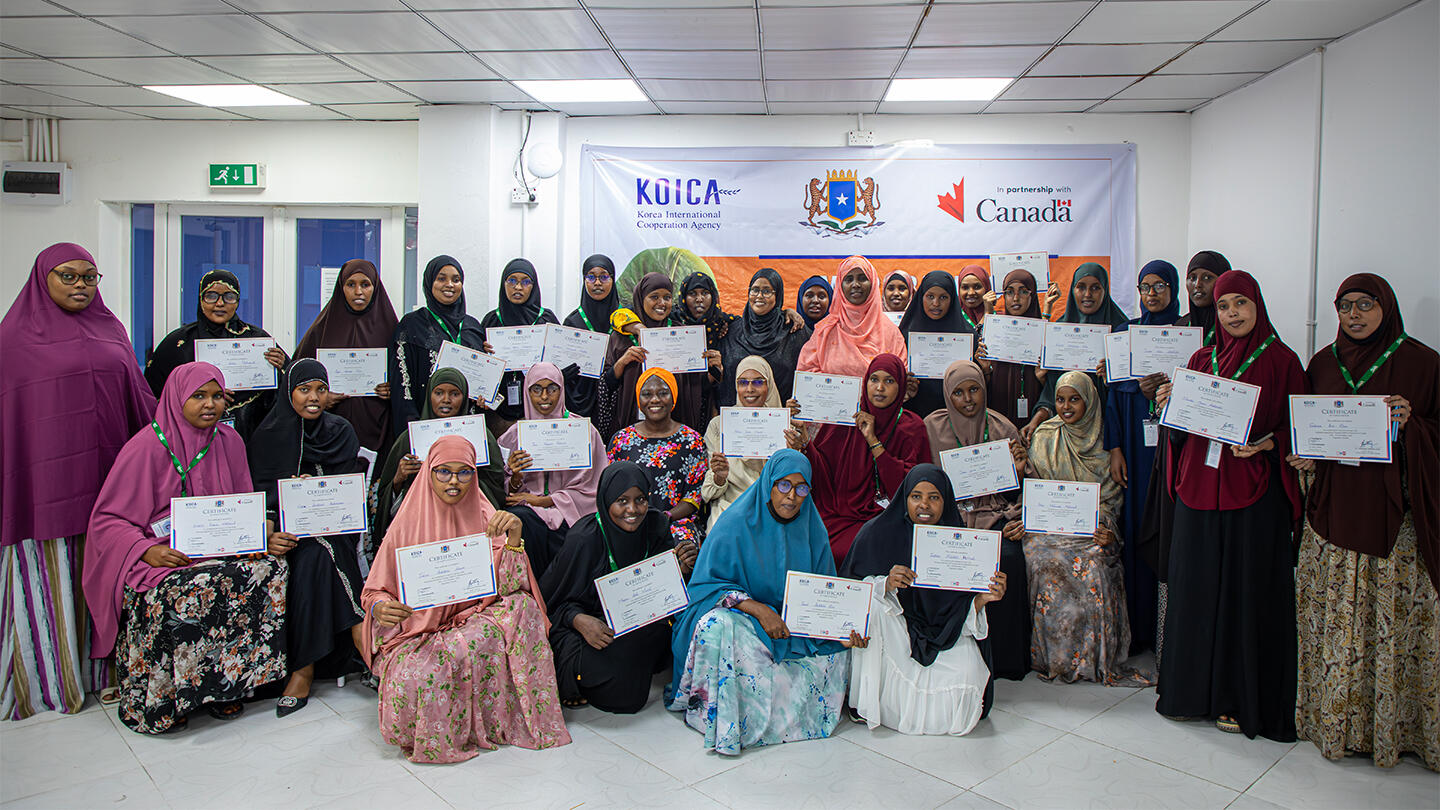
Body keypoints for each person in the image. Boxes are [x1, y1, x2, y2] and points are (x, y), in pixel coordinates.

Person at [83, 362, 285, 733]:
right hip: (163, 550)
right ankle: (169, 699)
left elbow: (243, 503)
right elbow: (107, 520)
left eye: (217, 396)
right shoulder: (145, 447)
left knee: (268, 571)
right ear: (176, 399)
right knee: (180, 588)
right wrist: (144, 550)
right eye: (198, 396)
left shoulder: (230, 441)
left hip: (219, 546)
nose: (210, 405)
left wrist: (261, 533)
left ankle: (228, 686)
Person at [1, 243, 157, 719]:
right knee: (51, 579)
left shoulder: (111, 329)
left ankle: (105, 675)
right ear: (42, 279)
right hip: (42, 487)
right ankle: (51, 679)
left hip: (108, 484)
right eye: (68, 276)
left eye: (89, 277)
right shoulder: (13, 340)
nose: (80, 286)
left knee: (106, 573)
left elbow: (138, 397)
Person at [1290, 273, 1437, 770]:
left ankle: (1393, 730)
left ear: (1386, 307)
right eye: (1345, 306)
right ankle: (1332, 720)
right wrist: (1306, 456)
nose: (1353, 315)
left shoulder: (1422, 363)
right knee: (1339, 625)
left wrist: (1414, 422)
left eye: (1364, 305)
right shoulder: (1322, 363)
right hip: (1334, 516)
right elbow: (1309, 427)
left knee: (1386, 629)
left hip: (1395, 528)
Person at [1154, 270, 1307, 741]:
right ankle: (1190, 693)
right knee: (1196, 590)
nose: (1233, 314)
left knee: (1245, 595)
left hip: (1253, 496)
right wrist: (1169, 405)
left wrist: (1267, 445)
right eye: (1224, 306)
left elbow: (1301, 432)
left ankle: (1239, 698)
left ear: (1257, 305)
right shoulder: (1202, 358)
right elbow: (1181, 428)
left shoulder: (1282, 362)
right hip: (1200, 490)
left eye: (1241, 303)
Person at [360, 435, 570, 763]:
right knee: (423, 673)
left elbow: (511, 585)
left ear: (475, 474)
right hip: (422, 629)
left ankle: (501, 720)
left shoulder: (485, 514)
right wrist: (380, 607)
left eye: (464, 472)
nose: (454, 481)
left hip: (474, 616)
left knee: (523, 607)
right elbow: (374, 590)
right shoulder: (406, 523)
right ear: (428, 472)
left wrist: (514, 536)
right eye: (443, 471)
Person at [668, 449, 867, 755]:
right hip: (743, 621)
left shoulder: (812, 528)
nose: (792, 497)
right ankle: (727, 721)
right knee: (716, 626)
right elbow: (704, 588)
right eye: (783, 485)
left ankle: (783, 724)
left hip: (793, 629)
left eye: (802, 489)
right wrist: (759, 609)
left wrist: (840, 630)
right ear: (768, 484)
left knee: (839, 654)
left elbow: (824, 595)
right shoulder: (734, 523)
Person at [842, 465, 1007, 735]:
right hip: (896, 637)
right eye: (916, 496)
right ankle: (876, 702)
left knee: (964, 693)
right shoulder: (877, 533)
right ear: (904, 498)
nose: (925, 505)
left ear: (946, 500)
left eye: (934, 497)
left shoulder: (961, 541)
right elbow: (852, 592)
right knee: (874, 599)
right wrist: (886, 584)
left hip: (945, 633)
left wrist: (982, 600)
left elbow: (959, 608)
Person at [250, 359, 367, 716]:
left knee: (320, 553)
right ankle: (368, 650)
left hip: (335, 530)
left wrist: (317, 494)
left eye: (320, 389)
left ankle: (303, 670)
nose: (314, 398)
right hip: (285, 535)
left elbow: (350, 493)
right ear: (289, 393)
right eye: (304, 390)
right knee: (311, 554)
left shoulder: (341, 430)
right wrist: (272, 527)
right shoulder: (268, 436)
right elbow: (258, 496)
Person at [1022, 372, 1153, 686]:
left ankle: (1092, 659)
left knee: (1092, 563)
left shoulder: (1107, 441)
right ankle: (1051, 658)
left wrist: (1107, 528)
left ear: (1090, 401)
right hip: (1051, 527)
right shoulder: (1045, 435)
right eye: (1061, 400)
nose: (1066, 407)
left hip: (1092, 526)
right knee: (1038, 556)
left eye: (1074, 399)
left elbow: (1111, 498)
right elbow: (1036, 488)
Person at [540, 462, 698, 712]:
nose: (633, 510)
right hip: (591, 624)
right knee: (625, 697)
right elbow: (549, 600)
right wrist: (578, 620)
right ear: (605, 501)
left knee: (678, 633)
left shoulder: (655, 525)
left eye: (641, 500)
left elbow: (667, 591)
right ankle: (573, 672)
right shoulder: (585, 539)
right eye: (622, 501)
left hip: (640, 621)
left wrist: (683, 568)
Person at [922, 360, 1032, 681]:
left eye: (974, 390)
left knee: (1008, 559)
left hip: (992, 514)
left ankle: (1006, 659)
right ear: (947, 395)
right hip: (946, 517)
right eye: (958, 392)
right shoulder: (931, 427)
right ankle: (946, 647)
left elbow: (1016, 495)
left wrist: (1019, 472)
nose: (968, 399)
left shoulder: (1003, 428)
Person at [1101, 259, 1178, 653]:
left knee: (1168, 528)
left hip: (1173, 445)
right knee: (1133, 526)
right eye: (1145, 286)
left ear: (1173, 289)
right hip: (1133, 442)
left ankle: (1166, 628)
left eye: (1160, 285)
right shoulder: (1124, 333)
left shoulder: (1188, 333)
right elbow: (1114, 395)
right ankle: (1136, 630)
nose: (1152, 293)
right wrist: (1114, 447)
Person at [368, 367, 506, 563]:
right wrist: (399, 479)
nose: (446, 400)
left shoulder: (482, 437)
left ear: (465, 397)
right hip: (419, 522)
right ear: (429, 396)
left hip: (470, 519)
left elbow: (495, 490)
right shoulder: (409, 440)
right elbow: (387, 502)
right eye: (439, 393)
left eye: (454, 394)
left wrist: (465, 476)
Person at [804, 353, 931, 564]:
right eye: (874, 379)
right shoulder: (845, 419)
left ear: (900, 385)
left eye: (889, 381)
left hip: (888, 515)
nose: (879, 388)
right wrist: (803, 441)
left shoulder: (911, 427)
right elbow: (821, 469)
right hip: (839, 513)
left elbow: (912, 487)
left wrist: (873, 440)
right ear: (865, 383)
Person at [144, 268, 285, 435]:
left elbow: (289, 390)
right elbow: (152, 395)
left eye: (229, 297)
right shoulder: (179, 344)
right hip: (192, 435)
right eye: (211, 296)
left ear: (238, 301)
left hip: (251, 436)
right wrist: (207, 396)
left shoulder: (257, 339)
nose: (220, 303)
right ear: (200, 299)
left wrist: (281, 366)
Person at [498, 363, 607, 580]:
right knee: (520, 519)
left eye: (552, 388)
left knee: (581, 533)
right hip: (529, 513)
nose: (545, 396)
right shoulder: (514, 434)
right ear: (527, 392)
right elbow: (508, 492)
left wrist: (545, 501)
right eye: (536, 389)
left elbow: (594, 486)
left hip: (572, 511)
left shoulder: (583, 431)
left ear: (562, 390)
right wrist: (516, 476)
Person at [595, 272, 720, 440]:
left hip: (676, 427)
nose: (662, 303)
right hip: (631, 428)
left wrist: (713, 374)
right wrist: (623, 362)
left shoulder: (681, 334)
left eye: (667, 297)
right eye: (654, 297)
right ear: (641, 298)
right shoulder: (621, 337)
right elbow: (606, 384)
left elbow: (696, 388)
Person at [294, 258, 399, 454]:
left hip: (380, 427)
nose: (358, 292)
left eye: (365, 284)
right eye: (351, 284)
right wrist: (319, 396)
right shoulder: (321, 329)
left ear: (375, 288)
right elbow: (297, 378)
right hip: (330, 431)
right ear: (341, 287)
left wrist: (394, 390)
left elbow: (406, 380)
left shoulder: (392, 329)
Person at [607, 369, 708, 549]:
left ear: (673, 397)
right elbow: (610, 490)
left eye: (663, 393)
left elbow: (694, 496)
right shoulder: (621, 440)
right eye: (647, 394)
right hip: (627, 519)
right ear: (639, 399)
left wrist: (665, 517)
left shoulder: (692, 441)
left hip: (675, 522)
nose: (655, 400)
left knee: (685, 553)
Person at [701, 356, 806, 529]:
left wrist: (793, 453)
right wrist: (720, 476)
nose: (750, 389)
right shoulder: (719, 426)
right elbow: (708, 493)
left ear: (769, 386)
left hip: (774, 505)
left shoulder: (785, 426)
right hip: (731, 505)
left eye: (758, 382)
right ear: (736, 387)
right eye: (743, 382)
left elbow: (794, 481)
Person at [1028, 262, 1129, 441]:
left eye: (1095, 288)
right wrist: (1037, 418)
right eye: (1081, 287)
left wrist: (1111, 380)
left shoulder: (1121, 332)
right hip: (1068, 435)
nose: (1087, 294)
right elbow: (1052, 393)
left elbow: (1129, 396)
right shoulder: (1059, 331)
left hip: (1109, 434)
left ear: (1105, 290)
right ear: (1073, 290)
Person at [390, 254, 486, 434]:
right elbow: (403, 387)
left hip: (467, 428)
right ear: (429, 282)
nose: (449, 284)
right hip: (425, 426)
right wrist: (413, 431)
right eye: (441, 278)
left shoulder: (473, 327)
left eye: (456, 280)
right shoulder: (411, 325)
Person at [797, 255, 907, 378]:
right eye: (849, 279)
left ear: (872, 283)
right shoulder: (825, 330)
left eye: (862, 278)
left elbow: (900, 375)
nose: (855, 284)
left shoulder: (890, 332)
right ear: (840, 286)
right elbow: (806, 373)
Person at [479, 258, 559, 426]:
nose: (518, 287)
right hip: (498, 411)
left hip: (541, 408)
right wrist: (483, 353)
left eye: (525, 282)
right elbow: (481, 369)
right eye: (512, 280)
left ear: (534, 285)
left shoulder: (546, 319)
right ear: (504, 284)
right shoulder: (491, 320)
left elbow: (558, 362)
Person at [718, 268, 812, 406]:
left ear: (778, 295)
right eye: (755, 290)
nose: (759, 296)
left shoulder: (793, 331)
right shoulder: (731, 330)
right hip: (736, 420)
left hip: (782, 421)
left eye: (767, 291)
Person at [978, 268, 1048, 432]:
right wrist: (985, 369)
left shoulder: (1044, 334)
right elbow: (984, 392)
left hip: (1034, 426)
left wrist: (1042, 378)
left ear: (1033, 295)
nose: (1016, 298)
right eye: (1009, 292)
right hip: (998, 425)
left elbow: (1054, 394)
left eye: (1023, 291)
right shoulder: (995, 333)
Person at [899, 271, 973, 418]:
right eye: (930, 296)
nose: (936, 303)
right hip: (915, 414)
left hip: (958, 415)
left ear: (952, 300)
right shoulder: (904, 335)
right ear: (921, 297)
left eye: (943, 297)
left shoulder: (968, 335)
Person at [561, 254, 619, 418]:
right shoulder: (573, 322)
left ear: (612, 279)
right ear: (584, 280)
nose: (598, 283)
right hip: (583, 401)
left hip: (618, 399)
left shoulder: (625, 319)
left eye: (604, 277)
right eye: (591, 277)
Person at [1175, 250, 1231, 345]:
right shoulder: (1180, 326)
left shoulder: (1233, 324)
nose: (1197, 285)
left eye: (1207, 278)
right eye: (1192, 278)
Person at [675, 271, 738, 351]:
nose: (699, 299)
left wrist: (730, 328)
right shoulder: (672, 320)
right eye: (692, 293)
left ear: (713, 296)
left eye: (705, 293)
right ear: (683, 297)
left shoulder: (722, 321)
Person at [955, 264, 992, 330]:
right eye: (965, 287)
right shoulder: (953, 318)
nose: (971, 293)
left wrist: (989, 313)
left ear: (987, 288)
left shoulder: (1000, 318)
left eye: (977, 287)